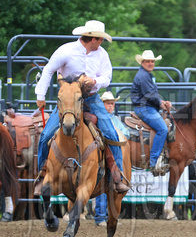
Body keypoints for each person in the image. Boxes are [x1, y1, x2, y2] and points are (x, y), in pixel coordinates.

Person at [34, 20, 130, 194]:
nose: (102, 43)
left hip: (91, 99)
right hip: (68, 101)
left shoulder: (101, 55)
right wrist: (40, 95)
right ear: (93, 39)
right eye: (101, 39)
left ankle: (117, 176)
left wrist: (95, 81)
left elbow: (107, 77)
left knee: (111, 134)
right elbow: (48, 70)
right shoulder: (66, 51)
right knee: (46, 135)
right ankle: (43, 173)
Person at [130, 49, 172, 176]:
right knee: (163, 129)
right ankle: (153, 161)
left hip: (147, 107)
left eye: (152, 61)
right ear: (142, 62)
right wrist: (161, 104)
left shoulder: (146, 75)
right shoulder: (144, 76)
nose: (150, 63)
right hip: (144, 108)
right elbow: (150, 95)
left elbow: (153, 94)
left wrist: (162, 102)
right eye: (147, 61)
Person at [94, 91, 129, 226]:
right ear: (102, 104)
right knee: (102, 185)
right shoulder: (97, 118)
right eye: (108, 103)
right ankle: (100, 216)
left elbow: (125, 132)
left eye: (112, 104)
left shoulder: (114, 119)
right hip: (102, 155)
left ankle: (109, 217)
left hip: (113, 157)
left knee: (111, 186)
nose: (111, 106)